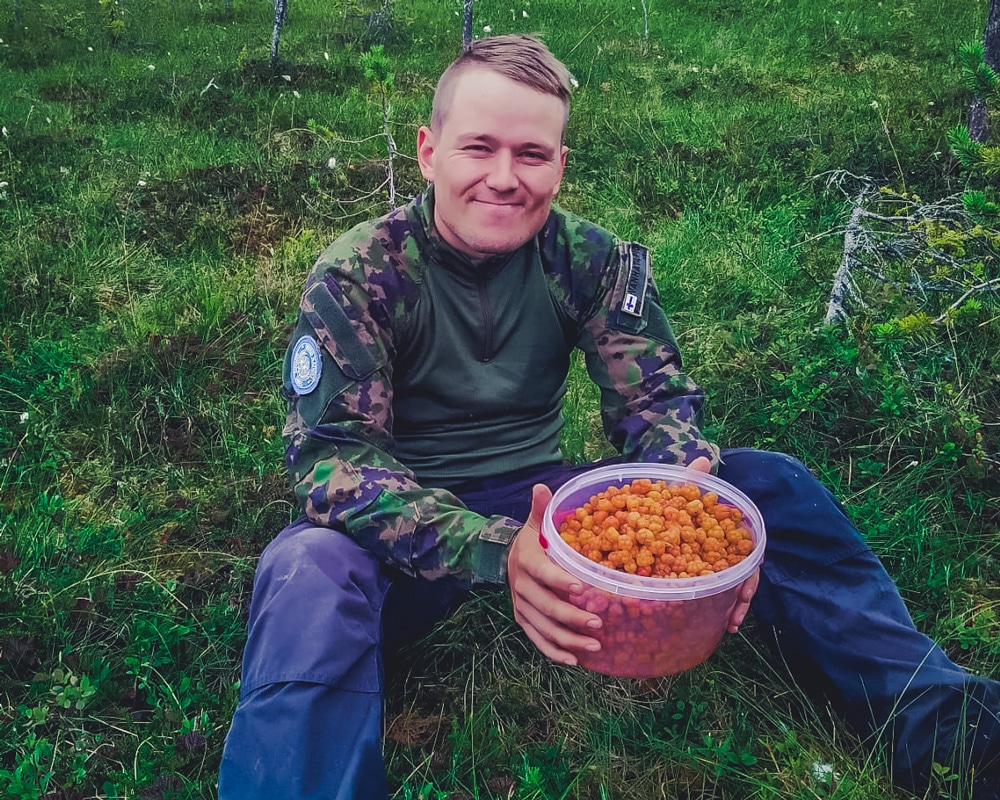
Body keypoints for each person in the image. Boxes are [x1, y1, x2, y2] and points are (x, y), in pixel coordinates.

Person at [218, 34, 1000, 800]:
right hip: (406, 530)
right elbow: (335, 465)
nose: (503, 177)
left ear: (560, 162)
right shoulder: (358, 274)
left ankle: (944, 725)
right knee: (306, 572)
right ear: (428, 152)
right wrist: (496, 551)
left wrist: (683, 488)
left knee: (768, 486)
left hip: (554, 516)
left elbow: (654, 401)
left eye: (531, 154)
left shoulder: (589, 258)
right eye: (477, 148)